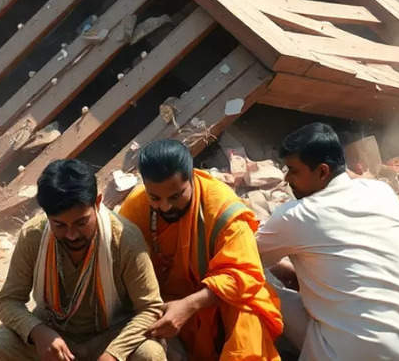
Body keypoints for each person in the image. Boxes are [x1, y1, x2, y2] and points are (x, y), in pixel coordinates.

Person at [256, 123, 399, 360]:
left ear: (323, 171)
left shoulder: (296, 215)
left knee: (261, 287)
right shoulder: (382, 192)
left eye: (293, 170)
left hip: (347, 354)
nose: (287, 179)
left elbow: (246, 255)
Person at [0, 159, 165, 361]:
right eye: (59, 225)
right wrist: (38, 331)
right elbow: (8, 300)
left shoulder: (124, 239)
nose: (72, 235)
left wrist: (114, 354)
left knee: (150, 355)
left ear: (97, 202)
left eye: (81, 222)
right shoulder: (34, 235)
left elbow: (151, 308)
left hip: (109, 336)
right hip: (53, 334)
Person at [119, 140, 284, 360]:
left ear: (192, 179)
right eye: (155, 198)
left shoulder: (222, 209)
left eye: (175, 196)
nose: (165, 207)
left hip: (215, 300)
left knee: (248, 317)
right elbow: (120, 266)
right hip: (163, 304)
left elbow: (244, 275)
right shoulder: (137, 206)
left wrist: (189, 304)